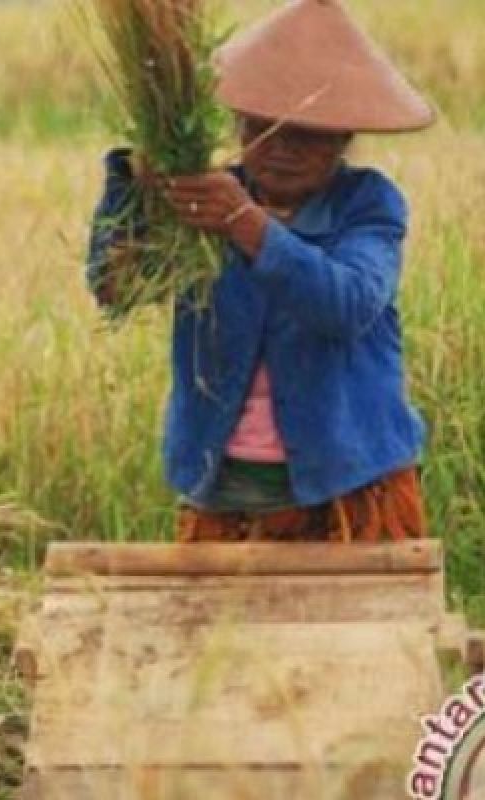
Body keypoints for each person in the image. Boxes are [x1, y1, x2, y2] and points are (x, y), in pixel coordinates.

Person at [84, 0, 437, 542]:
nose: (281, 147)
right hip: (223, 491)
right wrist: (134, 189)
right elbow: (116, 287)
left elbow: (345, 306)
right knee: (217, 628)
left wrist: (246, 226)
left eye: (308, 133)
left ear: (343, 137)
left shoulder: (367, 205)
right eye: (263, 126)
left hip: (350, 485)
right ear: (237, 121)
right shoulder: (200, 202)